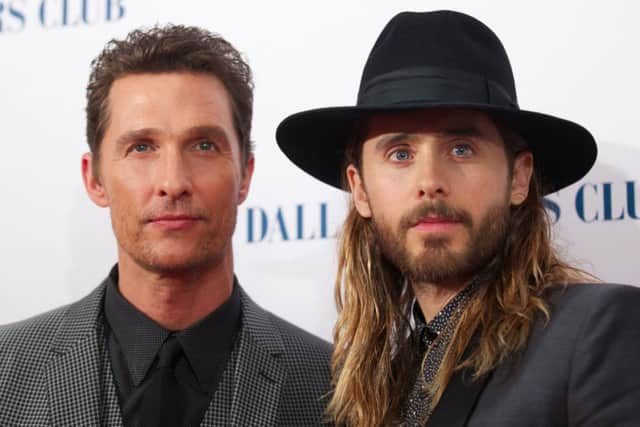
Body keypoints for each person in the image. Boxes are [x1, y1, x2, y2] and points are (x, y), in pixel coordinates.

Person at [277, 10, 640, 427]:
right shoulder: (368, 390)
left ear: (518, 177)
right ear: (360, 190)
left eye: (461, 149)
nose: (430, 181)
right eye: (401, 154)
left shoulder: (596, 332)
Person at [0, 25, 331, 426]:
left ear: (245, 174)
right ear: (94, 178)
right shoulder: (6, 371)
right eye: (141, 147)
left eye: (204, 145)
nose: (173, 182)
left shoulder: (336, 390)